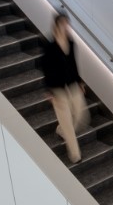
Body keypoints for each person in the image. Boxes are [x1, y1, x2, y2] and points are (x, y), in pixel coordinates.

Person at [38, 13, 90, 163]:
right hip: (57, 88)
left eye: (68, 24)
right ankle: (75, 154)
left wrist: (80, 82)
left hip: (72, 84)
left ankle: (60, 130)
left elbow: (74, 63)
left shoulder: (71, 42)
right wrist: (48, 90)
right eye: (63, 24)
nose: (66, 26)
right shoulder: (49, 45)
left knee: (80, 114)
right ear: (57, 25)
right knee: (66, 120)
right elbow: (45, 68)